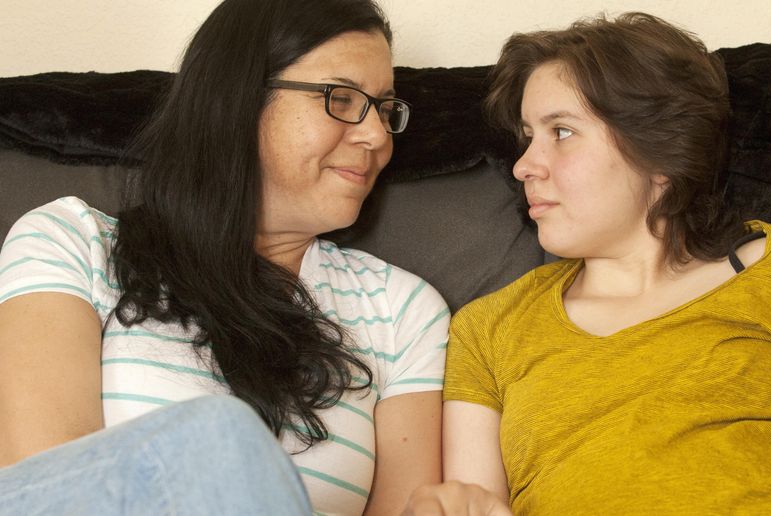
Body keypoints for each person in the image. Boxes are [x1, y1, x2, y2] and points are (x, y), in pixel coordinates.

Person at [404, 12, 771, 515]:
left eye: (562, 132)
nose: (524, 165)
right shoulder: (488, 330)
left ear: (662, 150)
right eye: (528, 137)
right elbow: (473, 503)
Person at [0, 0, 448, 514]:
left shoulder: (402, 309)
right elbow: (46, 489)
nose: (375, 135)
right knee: (221, 435)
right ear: (236, 101)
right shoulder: (74, 242)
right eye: (341, 98)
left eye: (385, 109)